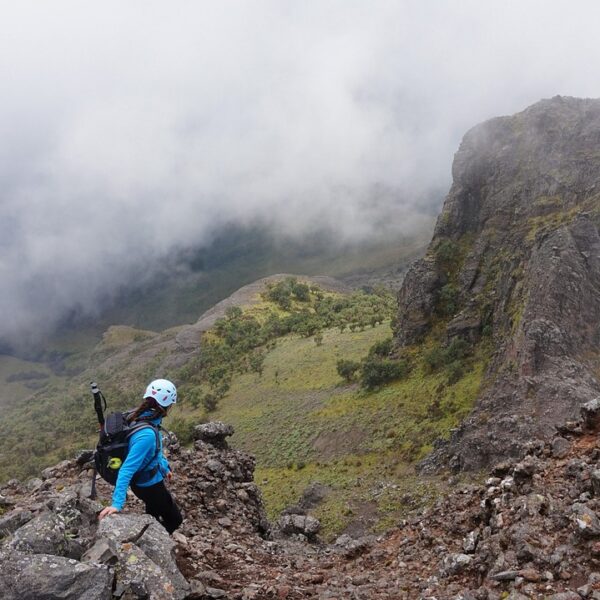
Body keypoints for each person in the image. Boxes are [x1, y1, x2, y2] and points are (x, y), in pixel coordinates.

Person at [98, 378, 183, 533]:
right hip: (149, 485)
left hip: (145, 482)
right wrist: (116, 504)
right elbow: (127, 469)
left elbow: (154, 452)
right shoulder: (147, 434)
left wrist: (164, 468)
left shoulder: (137, 416)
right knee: (175, 520)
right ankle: (159, 540)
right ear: (168, 406)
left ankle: (151, 530)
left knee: (153, 510)